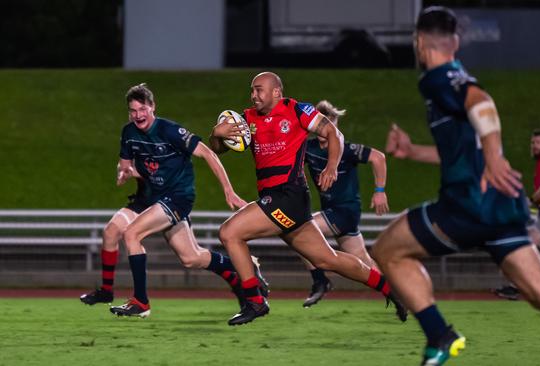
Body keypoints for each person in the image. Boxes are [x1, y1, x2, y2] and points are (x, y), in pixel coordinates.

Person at [374, 7, 540, 366]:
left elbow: (482, 103)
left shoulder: (438, 77)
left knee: (388, 249)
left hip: (467, 206)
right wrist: (412, 151)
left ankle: (440, 335)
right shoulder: (457, 73)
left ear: (420, 42)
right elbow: (463, 150)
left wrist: (495, 157)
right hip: (501, 207)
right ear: (456, 42)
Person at [212, 71, 407, 326]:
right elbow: (220, 149)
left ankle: (255, 302)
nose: (253, 95)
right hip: (280, 199)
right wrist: (218, 134)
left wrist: (332, 166)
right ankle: (389, 289)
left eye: (259, 90)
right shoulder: (247, 119)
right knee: (328, 259)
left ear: (276, 93)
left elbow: (334, 135)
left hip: (288, 196)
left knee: (230, 232)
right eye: (252, 90)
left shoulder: (297, 110)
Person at [107, 83, 255, 317]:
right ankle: (247, 265)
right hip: (160, 200)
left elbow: (208, 153)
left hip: (178, 198)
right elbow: (125, 165)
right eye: (133, 111)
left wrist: (229, 190)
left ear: (153, 107)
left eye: (142, 109)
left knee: (131, 234)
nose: (138, 115)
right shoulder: (129, 133)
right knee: (191, 258)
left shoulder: (170, 131)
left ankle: (141, 302)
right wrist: (124, 172)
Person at [300, 100, 389, 307]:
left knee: (298, 231)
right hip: (332, 213)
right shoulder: (310, 148)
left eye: (331, 123)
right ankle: (397, 292)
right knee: (365, 263)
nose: (328, 129)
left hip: (345, 211)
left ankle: (320, 281)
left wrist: (379, 191)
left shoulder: (346, 149)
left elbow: (378, 158)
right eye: (322, 123)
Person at [493, 129, 540, 300]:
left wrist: (529, 201)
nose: (534, 146)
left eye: (537, 143)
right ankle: (515, 287)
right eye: (532, 143)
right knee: (524, 246)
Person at [79, 180, 146, 305]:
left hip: (168, 203)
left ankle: (141, 301)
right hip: (143, 202)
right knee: (110, 232)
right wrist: (125, 167)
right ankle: (107, 291)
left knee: (190, 258)